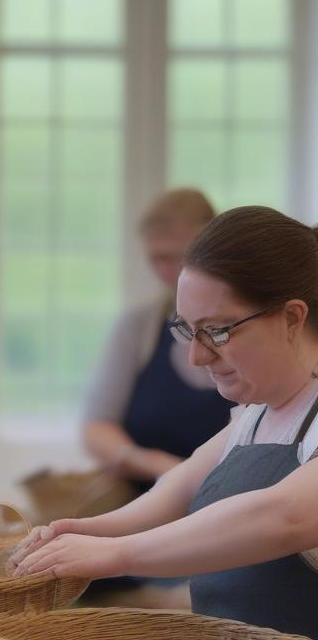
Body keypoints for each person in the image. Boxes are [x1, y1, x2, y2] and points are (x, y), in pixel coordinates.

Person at [9, 206, 318, 640]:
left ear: (291, 317)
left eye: (220, 331)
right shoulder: (256, 413)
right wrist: (83, 530)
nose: (200, 358)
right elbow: (171, 493)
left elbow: (284, 516)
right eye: (187, 330)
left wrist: (115, 555)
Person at [83, 188, 234, 489]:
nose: (167, 270)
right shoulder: (140, 327)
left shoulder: (251, 328)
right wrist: (158, 466)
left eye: (178, 257)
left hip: (226, 500)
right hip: (147, 499)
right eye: (156, 259)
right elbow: (96, 428)